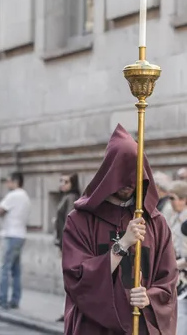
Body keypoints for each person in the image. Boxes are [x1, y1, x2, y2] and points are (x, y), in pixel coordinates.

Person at [62, 124, 178, 334]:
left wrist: (149, 297)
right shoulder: (80, 220)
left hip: (140, 326)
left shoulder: (155, 223)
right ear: (110, 172)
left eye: (134, 176)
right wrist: (122, 244)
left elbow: (168, 280)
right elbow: (76, 278)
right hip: (95, 327)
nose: (129, 183)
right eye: (122, 174)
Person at [0, 172, 31, 310]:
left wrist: (0, 212)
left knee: (5, 269)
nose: (7, 184)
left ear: (15, 181)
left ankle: (2, 300)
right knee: (16, 270)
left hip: (11, 234)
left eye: (8, 181)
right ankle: (15, 299)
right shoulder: (25, 196)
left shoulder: (13, 195)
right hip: (21, 235)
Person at [53, 173, 80, 322]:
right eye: (61, 180)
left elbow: (68, 224)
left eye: (66, 181)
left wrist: (64, 245)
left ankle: (69, 311)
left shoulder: (71, 198)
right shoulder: (66, 197)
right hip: (66, 243)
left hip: (68, 245)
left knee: (69, 279)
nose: (62, 183)